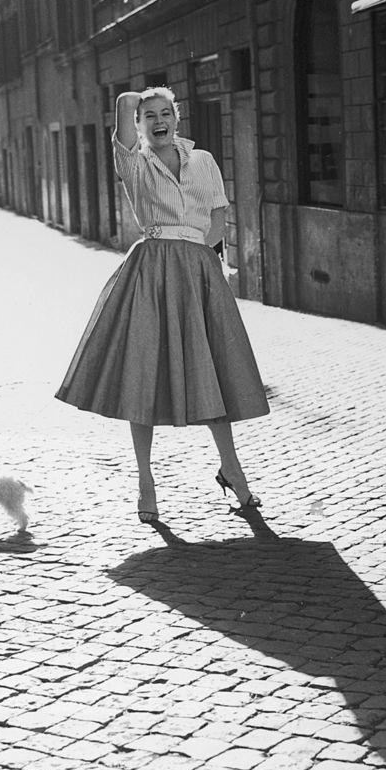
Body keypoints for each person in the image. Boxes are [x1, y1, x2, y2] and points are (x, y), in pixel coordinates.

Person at [55, 86, 269, 522]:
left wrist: (195, 257)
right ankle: (145, 481)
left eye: (166, 112)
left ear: (178, 117)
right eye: (149, 115)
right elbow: (123, 107)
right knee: (142, 378)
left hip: (199, 272)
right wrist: (141, 97)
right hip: (150, 274)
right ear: (139, 124)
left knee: (213, 373)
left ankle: (231, 468)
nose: (158, 120)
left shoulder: (203, 161)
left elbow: (217, 217)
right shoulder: (134, 163)